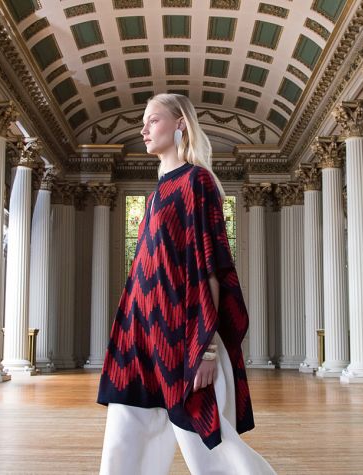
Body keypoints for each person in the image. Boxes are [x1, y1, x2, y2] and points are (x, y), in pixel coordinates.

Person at [97, 93, 275, 475]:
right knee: (124, 438)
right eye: (143, 122)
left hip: (181, 336)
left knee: (206, 444)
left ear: (180, 124)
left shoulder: (198, 182)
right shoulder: (156, 193)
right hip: (140, 335)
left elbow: (210, 270)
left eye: (153, 120)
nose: (143, 129)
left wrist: (206, 351)